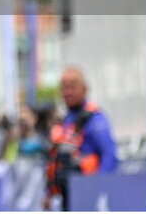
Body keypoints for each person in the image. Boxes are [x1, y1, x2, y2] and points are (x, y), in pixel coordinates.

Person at [46, 67, 118, 210]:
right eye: (64, 88)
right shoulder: (65, 120)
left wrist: (100, 188)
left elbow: (109, 155)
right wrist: (48, 193)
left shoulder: (95, 119)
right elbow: (56, 160)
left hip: (87, 193)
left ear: (84, 89)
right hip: (66, 194)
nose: (67, 92)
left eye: (72, 87)